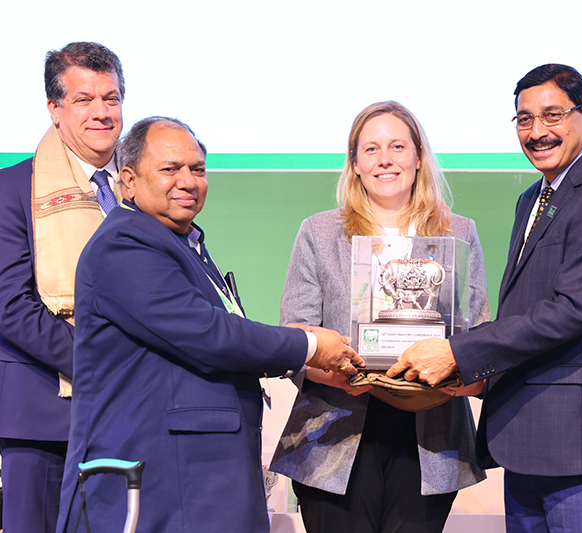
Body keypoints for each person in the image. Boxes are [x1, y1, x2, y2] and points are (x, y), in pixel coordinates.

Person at [55, 117, 362, 533]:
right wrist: (308, 345)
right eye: (170, 169)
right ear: (128, 180)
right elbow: (209, 334)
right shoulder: (124, 243)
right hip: (161, 482)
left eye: (197, 169)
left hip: (202, 479)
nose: (187, 181)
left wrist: (308, 361)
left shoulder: (184, 242)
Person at [389, 64, 582, 532]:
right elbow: (522, 312)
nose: (537, 132)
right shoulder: (533, 197)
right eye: (524, 119)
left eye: (552, 115)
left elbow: (570, 312)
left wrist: (457, 352)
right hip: (528, 439)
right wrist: (469, 368)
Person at [269, 101, 490, 533]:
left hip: (432, 434)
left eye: (397, 147)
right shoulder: (319, 232)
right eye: (371, 149)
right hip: (335, 430)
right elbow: (295, 335)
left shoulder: (459, 232)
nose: (385, 159)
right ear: (354, 163)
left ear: (418, 157)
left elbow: (477, 333)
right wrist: (341, 374)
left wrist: (457, 373)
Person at [0, 41, 125, 533]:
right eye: (84, 99)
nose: (101, 113)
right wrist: (104, 364)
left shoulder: (146, 186)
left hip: (136, 414)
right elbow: (10, 306)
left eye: (111, 98)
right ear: (54, 109)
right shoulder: (13, 189)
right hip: (45, 418)